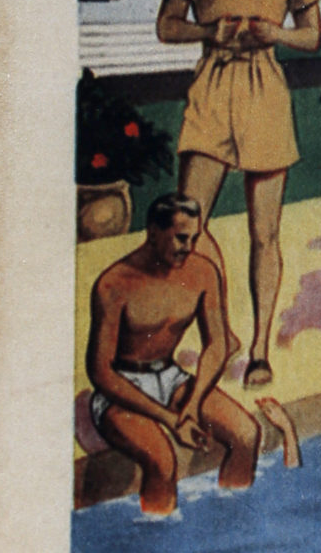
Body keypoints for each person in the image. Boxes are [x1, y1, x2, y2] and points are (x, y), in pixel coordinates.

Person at [156, 0, 321, 385]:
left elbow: (312, 36)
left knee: (264, 232)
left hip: (266, 92)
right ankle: (215, 331)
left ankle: (258, 349)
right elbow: (167, 27)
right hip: (213, 85)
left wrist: (275, 32)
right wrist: (214, 29)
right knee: (188, 223)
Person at [84, 194, 261, 516]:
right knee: (163, 461)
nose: (189, 247)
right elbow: (101, 373)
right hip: (121, 391)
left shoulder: (203, 272)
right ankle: (158, 536)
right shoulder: (114, 284)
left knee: (247, 435)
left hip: (170, 377)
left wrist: (192, 407)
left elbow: (217, 343)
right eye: (181, 238)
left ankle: (232, 523)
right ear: (153, 232)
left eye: (194, 238)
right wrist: (169, 419)